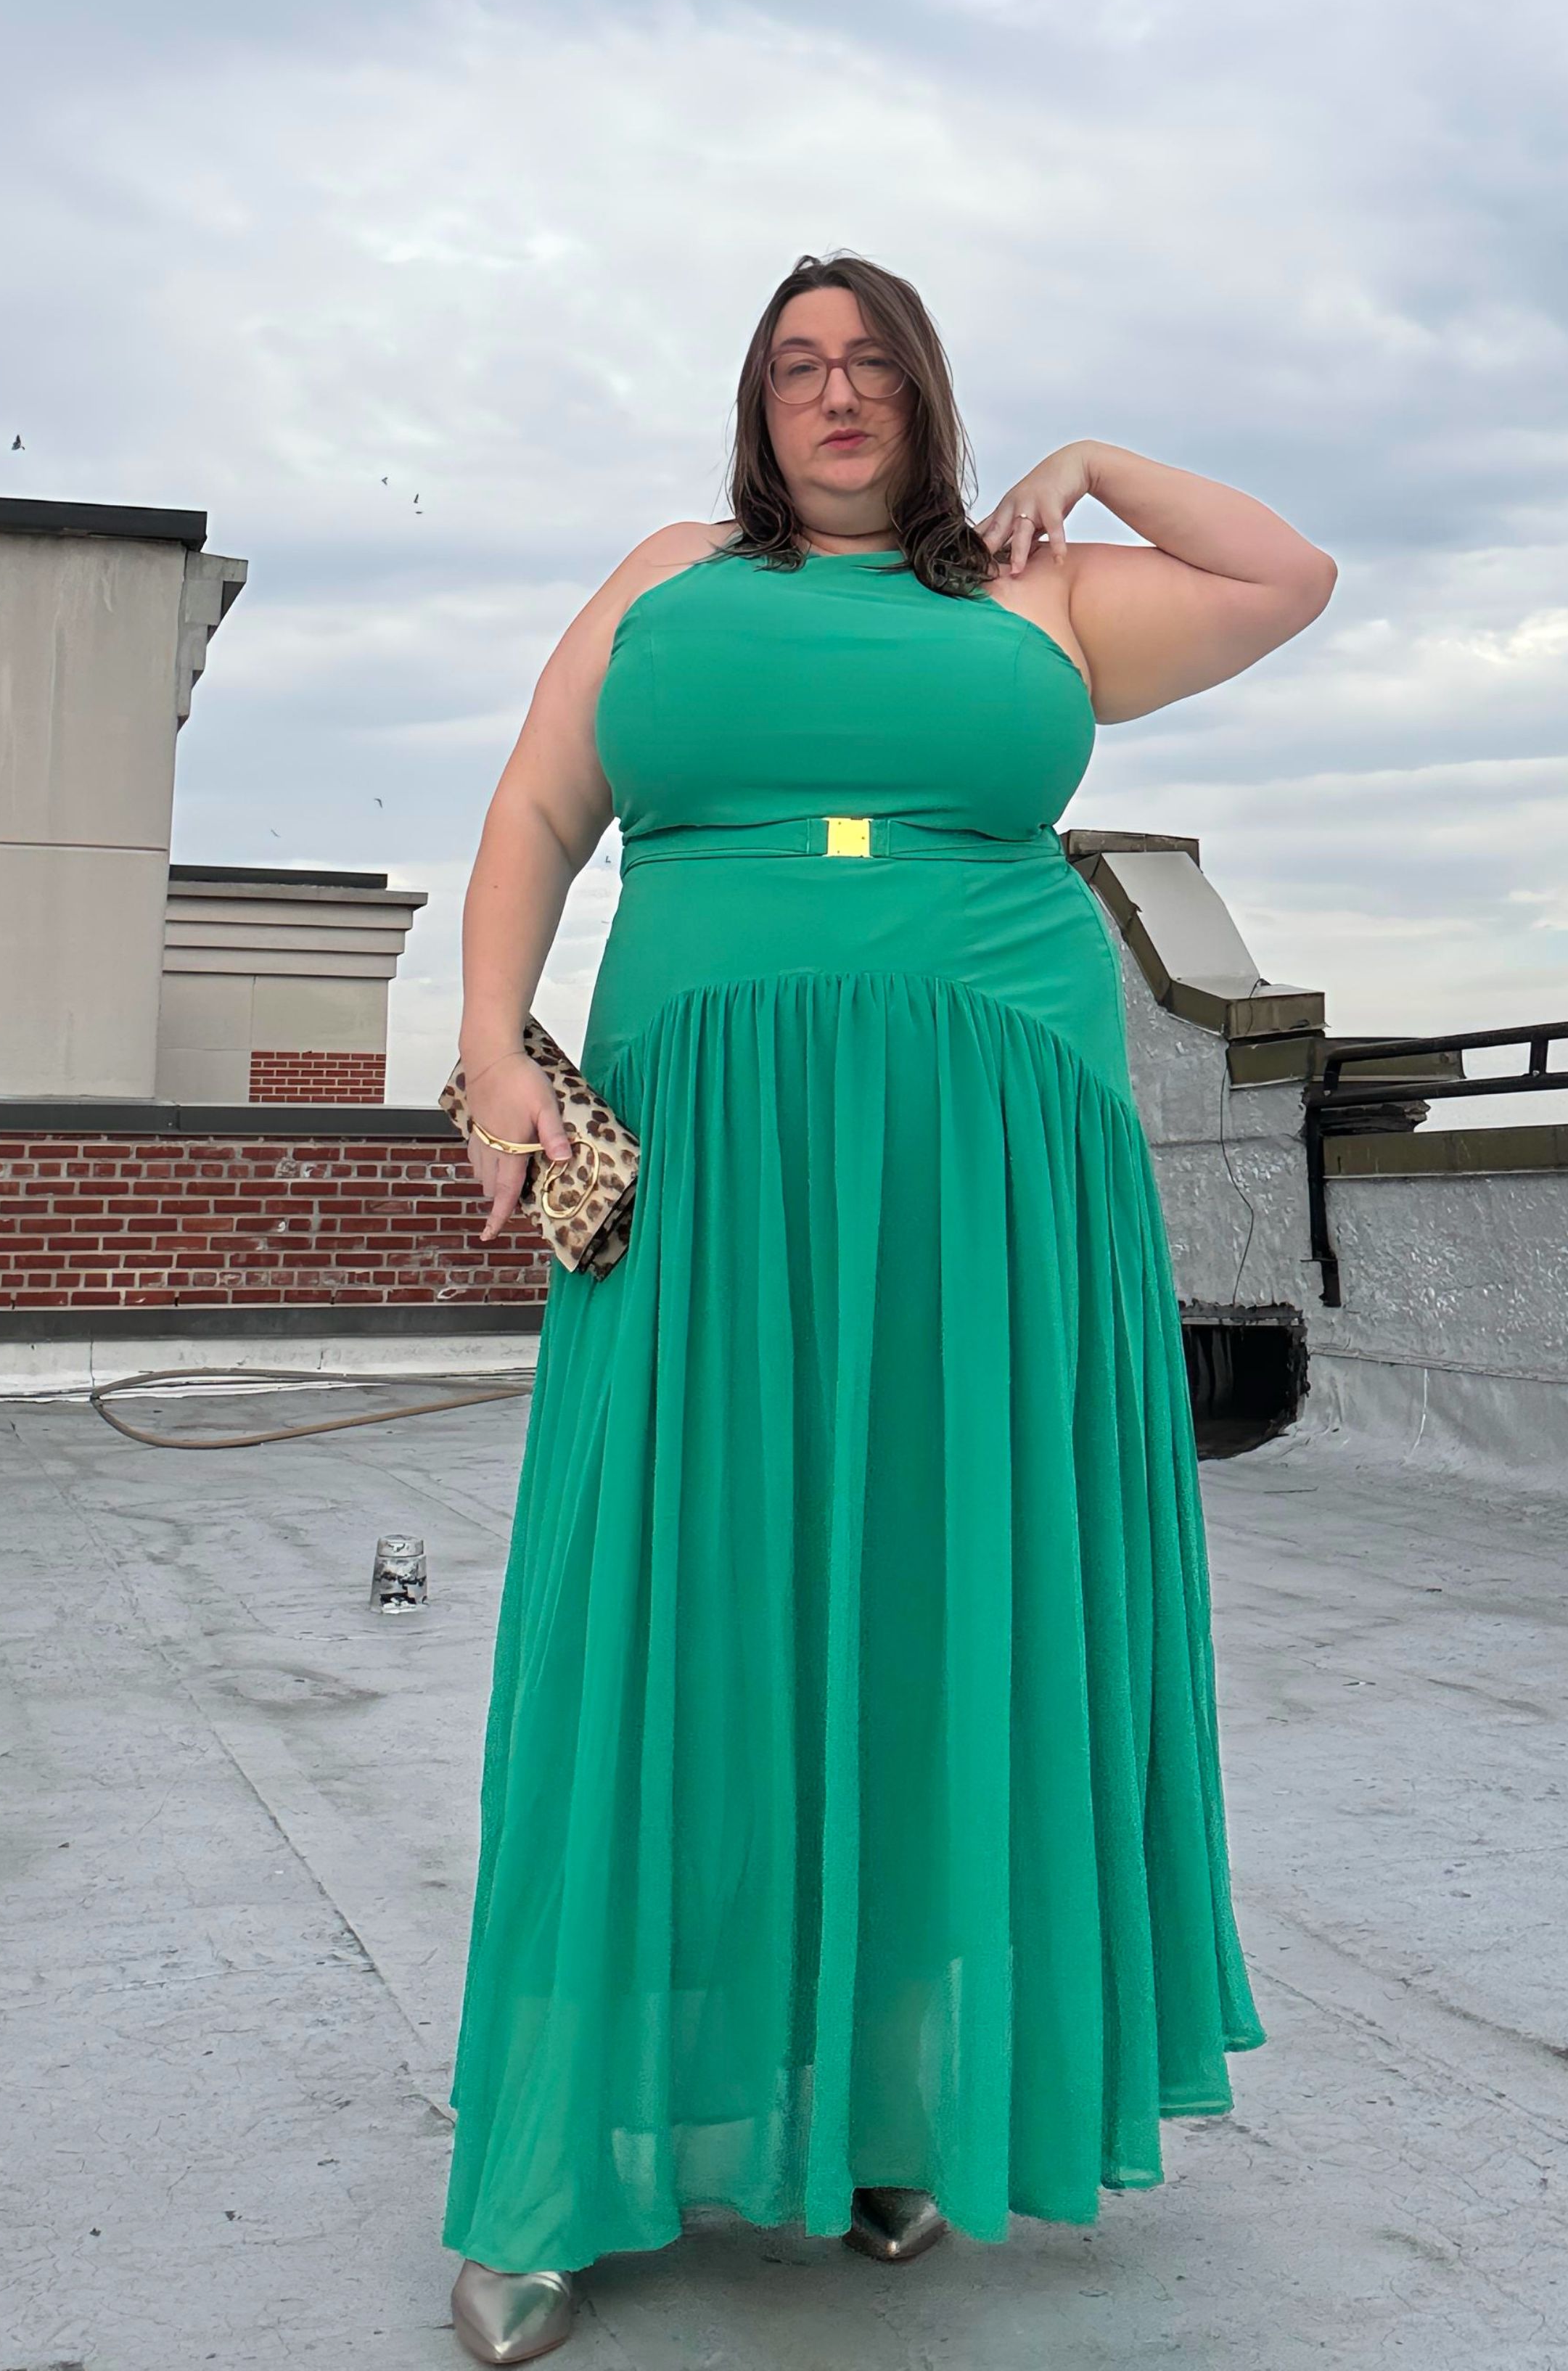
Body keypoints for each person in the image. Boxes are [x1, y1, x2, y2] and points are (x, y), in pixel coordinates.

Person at [441, 252, 1337, 2363]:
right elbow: (541, 808)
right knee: (664, 1597)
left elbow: (1286, 574)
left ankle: (888, 2110)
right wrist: (490, 1051)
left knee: (944, 1601)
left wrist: (1091, 461)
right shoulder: (671, 572)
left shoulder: (1042, 592)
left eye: (871, 365)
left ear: (928, 399)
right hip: (712, 1117)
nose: (834, 396)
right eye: (795, 369)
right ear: (754, 409)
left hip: (992, 1135)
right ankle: (546, 2167)